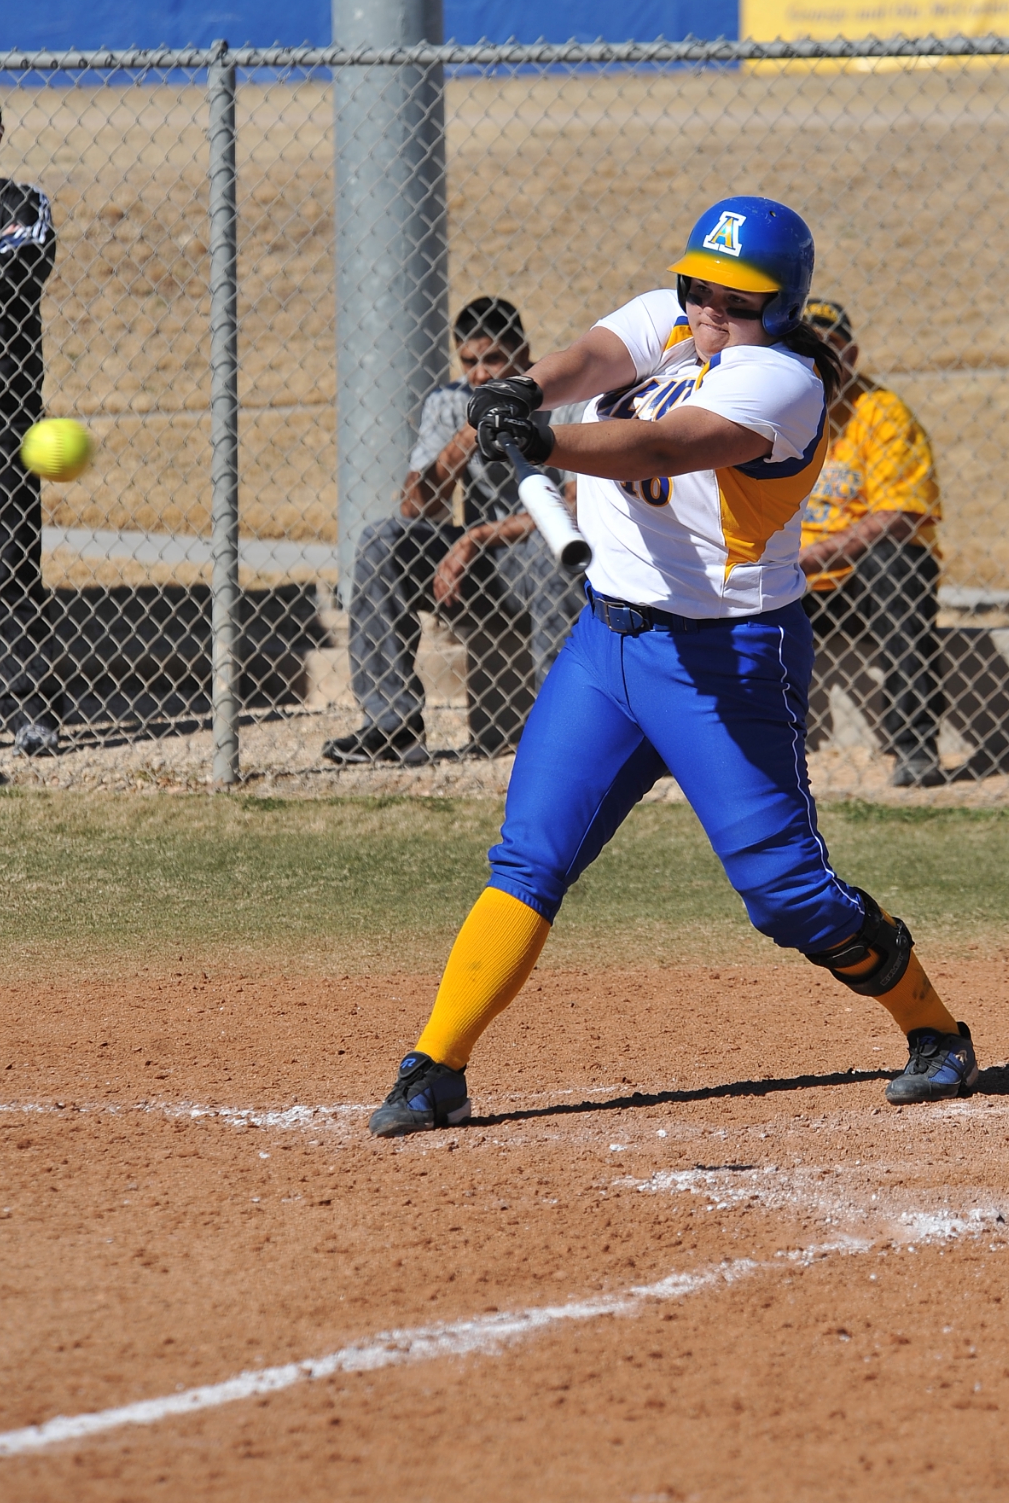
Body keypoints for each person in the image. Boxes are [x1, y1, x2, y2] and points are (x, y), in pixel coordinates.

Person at [366, 196, 979, 1136]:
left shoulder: (783, 383)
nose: (705, 309)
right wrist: (523, 393)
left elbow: (660, 444)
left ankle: (935, 1031)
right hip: (606, 649)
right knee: (531, 855)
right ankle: (435, 1065)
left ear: (779, 309)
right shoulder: (678, 316)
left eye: (734, 299)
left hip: (724, 658)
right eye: (699, 286)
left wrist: (548, 439)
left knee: (787, 896)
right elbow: (597, 357)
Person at [323, 298, 585, 764]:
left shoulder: (565, 402)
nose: (480, 374)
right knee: (382, 541)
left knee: (551, 555)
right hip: (479, 568)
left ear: (524, 354)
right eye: (469, 362)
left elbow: (573, 511)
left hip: (540, 558)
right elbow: (415, 507)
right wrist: (465, 436)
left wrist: (476, 537)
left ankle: (566, 734)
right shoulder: (450, 402)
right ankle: (391, 726)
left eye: (493, 360)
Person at [798, 300, 944, 787]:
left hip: (857, 585)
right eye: (806, 346)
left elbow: (901, 514)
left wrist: (811, 556)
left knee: (894, 562)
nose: (817, 359)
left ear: (852, 356)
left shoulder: (880, 412)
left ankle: (914, 746)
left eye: (830, 349)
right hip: (782, 579)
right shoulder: (769, 409)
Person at [0, 83, 61, 757]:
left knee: (9, 562)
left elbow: (17, 275)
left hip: (4, 416)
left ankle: (28, 703)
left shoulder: (23, 203)